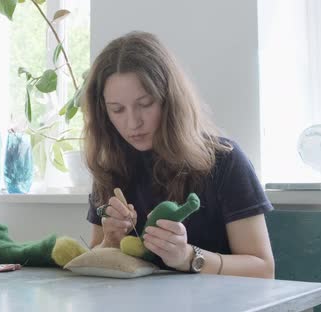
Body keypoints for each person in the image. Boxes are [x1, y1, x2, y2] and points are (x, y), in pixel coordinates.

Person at [83, 31, 274, 278]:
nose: (133, 123)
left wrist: (189, 257)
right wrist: (110, 242)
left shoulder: (225, 161)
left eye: (145, 104)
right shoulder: (110, 167)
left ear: (169, 99)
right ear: (103, 112)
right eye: (117, 109)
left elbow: (264, 270)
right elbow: (95, 261)